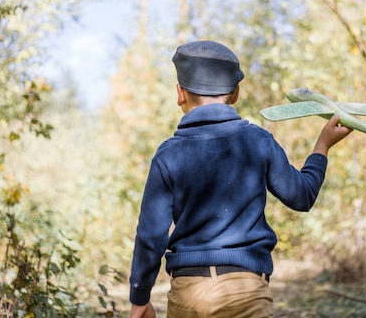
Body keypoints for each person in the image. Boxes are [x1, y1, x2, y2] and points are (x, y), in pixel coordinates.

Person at [129, 40, 352, 318]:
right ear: (235, 94)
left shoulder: (168, 155)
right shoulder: (258, 141)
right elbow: (302, 196)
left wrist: (140, 297)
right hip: (246, 289)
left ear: (179, 94)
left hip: (189, 291)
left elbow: (150, 235)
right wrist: (323, 146)